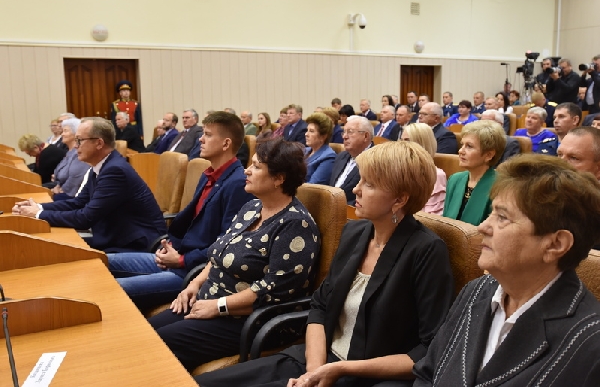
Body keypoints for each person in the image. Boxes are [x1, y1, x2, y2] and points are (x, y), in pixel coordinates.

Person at [195, 142, 454, 387]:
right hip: (316, 360)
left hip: (365, 377)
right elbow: (320, 305)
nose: (356, 189)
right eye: (360, 180)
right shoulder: (355, 233)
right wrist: (314, 371)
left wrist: (338, 370)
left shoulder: (427, 250)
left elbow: (429, 350)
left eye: (369, 184)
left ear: (399, 200)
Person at [413, 155, 600, 387]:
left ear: (555, 244)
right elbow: (427, 373)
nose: (483, 226)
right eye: (491, 213)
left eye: (502, 217)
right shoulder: (477, 290)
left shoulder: (590, 342)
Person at [149, 138, 320, 371]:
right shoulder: (252, 207)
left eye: (256, 166)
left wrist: (218, 306)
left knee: (157, 346)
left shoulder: (296, 225)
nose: (246, 170)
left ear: (279, 179)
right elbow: (221, 253)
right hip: (209, 300)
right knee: (145, 331)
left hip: (250, 319)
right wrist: (195, 285)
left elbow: (273, 289)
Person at [107, 111, 254, 309]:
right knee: (104, 261)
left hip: (192, 271)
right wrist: (169, 247)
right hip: (177, 257)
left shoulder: (238, 184)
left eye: (208, 135)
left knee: (112, 289)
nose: (200, 139)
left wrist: (182, 260)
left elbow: (226, 244)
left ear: (226, 144)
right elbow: (191, 223)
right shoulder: (209, 175)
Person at [13, 119, 166, 252]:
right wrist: (39, 207)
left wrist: (38, 215)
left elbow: (85, 218)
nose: (75, 146)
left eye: (80, 140)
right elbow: (78, 203)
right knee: (55, 246)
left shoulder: (114, 171)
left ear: (99, 143)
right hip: (115, 237)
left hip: (137, 244)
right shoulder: (101, 166)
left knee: (61, 254)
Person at [443, 120, 506, 226]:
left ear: (489, 155)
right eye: (462, 145)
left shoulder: (501, 186)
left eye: (469, 146)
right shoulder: (455, 179)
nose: (461, 151)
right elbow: (444, 221)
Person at [400, 123, 446, 215]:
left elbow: (432, 216)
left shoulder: (436, 175)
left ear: (421, 144)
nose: (401, 145)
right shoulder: (398, 169)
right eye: (401, 140)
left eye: (407, 141)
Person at [329, 116, 373, 205]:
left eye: (350, 132)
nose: (344, 136)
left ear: (365, 136)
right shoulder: (341, 156)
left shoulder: (375, 161)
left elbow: (369, 199)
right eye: (344, 132)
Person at [50, 117, 90, 200]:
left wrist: (61, 189)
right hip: (62, 189)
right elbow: (59, 173)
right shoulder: (70, 152)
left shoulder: (79, 152)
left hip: (72, 195)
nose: (62, 134)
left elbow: (76, 178)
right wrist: (58, 185)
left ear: (76, 134)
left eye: (65, 131)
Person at [304, 112, 336, 185]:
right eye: (307, 130)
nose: (306, 134)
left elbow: (312, 186)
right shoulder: (304, 151)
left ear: (323, 136)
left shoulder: (329, 157)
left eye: (311, 131)